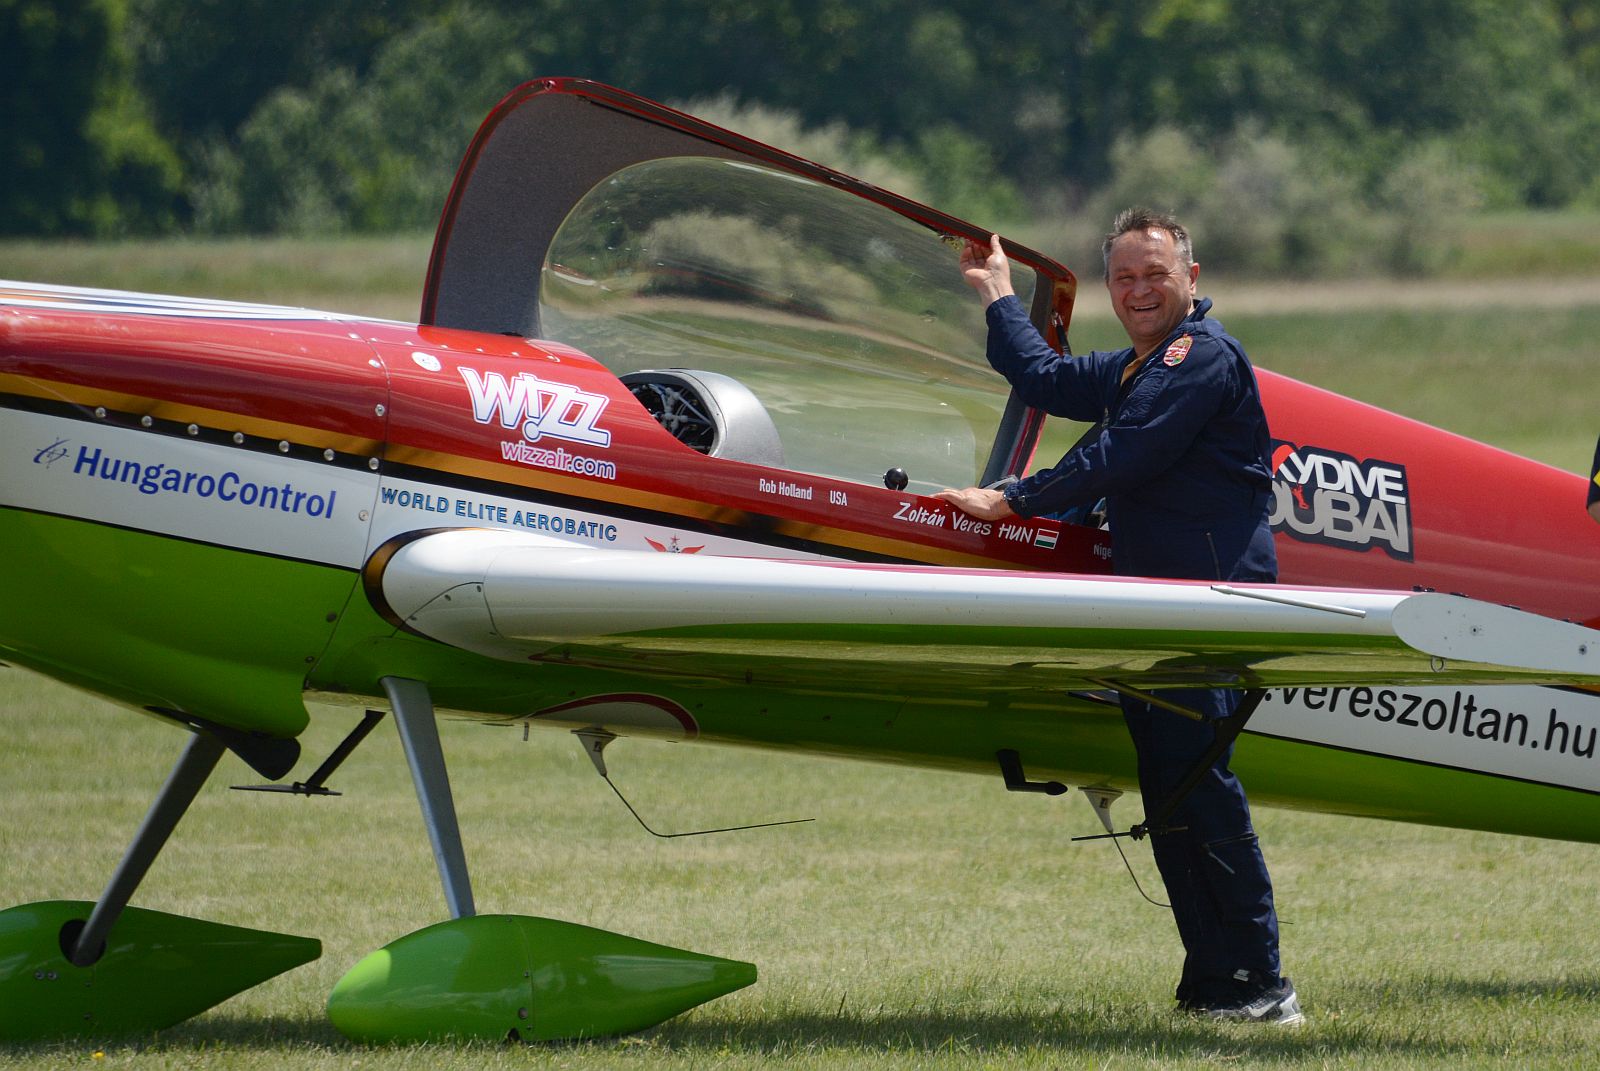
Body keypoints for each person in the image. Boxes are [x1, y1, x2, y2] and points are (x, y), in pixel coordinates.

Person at [937, 209, 1301, 1025]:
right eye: (1125, 277)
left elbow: (1125, 451)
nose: (1139, 290)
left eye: (1156, 274)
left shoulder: (1197, 358)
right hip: (1156, 608)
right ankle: (1216, 984)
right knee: (1171, 788)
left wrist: (1015, 498)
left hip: (1206, 607)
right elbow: (1046, 379)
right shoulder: (1140, 365)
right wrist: (998, 295)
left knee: (1201, 788)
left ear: (1191, 279)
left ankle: (1261, 981)